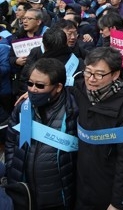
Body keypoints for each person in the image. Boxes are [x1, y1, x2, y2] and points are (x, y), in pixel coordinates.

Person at [72, 47, 123, 209]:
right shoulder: (80, 91)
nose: (91, 79)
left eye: (99, 74)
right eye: (88, 72)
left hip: (110, 190)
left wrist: (118, 202)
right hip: (83, 184)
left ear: (115, 74)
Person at [5, 58, 78, 209]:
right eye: (30, 84)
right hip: (24, 190)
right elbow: (11, 141)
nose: (32, 90)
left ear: (58, 87)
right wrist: (13, 165)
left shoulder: (73, 111)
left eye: (39, 85)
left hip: (59, 194)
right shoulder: (21, 108)